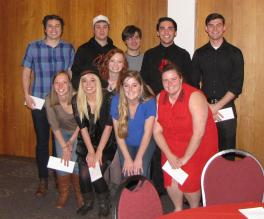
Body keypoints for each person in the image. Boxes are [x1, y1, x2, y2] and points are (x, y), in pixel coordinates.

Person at [153, 61, 218, 211]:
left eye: (173, 79)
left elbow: (199, 133)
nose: (169, 84)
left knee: (190, 181)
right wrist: (169, 155)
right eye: (165, 80)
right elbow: (156, 131)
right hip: (171, 143)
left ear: (181, 79)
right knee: (171, 180)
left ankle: (194, 209)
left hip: (197, 145)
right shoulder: (159, 97)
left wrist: (184, 159)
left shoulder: (195, 96)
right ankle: (177, 209)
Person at [22, 14, 75, 196]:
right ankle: (43, 178)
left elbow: (70, 73)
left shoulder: (68, 48)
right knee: (43, 141)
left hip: (61, 102)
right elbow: (26, 72)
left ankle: (58, 176)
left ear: (62, 28)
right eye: (50, 26)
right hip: (39, 100)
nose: (53, 29)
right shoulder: (33, 46)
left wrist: (73, 98)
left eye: (57, 26)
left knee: (58, 141)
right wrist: (26, 95)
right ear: (44, 28)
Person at [141, 16, 192, 195]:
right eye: (162, 28)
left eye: (170, 28)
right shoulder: (149, 54)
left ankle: (181, 186)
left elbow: (190, 82)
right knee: (156, 145)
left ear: (175, 32)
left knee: (177, 144)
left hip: (177, 106)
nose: (166, 31)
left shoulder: (184, 54)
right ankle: (159, 186)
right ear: (157, 32)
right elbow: (144, 81)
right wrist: (155, 99)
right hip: (155, 105)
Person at [191, 13, 244, 153]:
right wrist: (208, 107)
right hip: (203, 107)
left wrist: (217, 107)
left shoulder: (235, 53)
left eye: (218, 25)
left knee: (227, 152)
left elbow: (236, 86)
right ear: (206, 29)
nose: (215, 29)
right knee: (204, 149)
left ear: (224, 28)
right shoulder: (199, 53)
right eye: (211, 25)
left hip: (226, 108)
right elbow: (193, 84)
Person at [72, 70, 116, 217]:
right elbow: (83, 128)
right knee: (84, 174)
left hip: (106, 143)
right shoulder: (76, 100)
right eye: (84, 80)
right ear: (81, 84)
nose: (88, 84)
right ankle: (88, 202)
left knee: (94, 171)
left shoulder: (109, 98)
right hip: (86, 143)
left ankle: (104, 202)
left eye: (92, 80)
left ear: (98, 81)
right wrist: (91, 151)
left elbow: (109, 127)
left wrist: (98, 152)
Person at [45, 71, 83, 209]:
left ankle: (79, 194)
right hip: (61, 133)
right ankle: (63, 194)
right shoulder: (49, 100)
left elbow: (82, 123)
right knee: (63, 162)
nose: (60, 86)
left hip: (79, 132)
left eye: (64, 82)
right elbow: (54, 127)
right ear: (53, 85)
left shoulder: (78, 97)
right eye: (57, 83)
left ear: (69, 84)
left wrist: (71, 142)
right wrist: (64, 147)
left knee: (77, 163)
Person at [110, 71, 156, 178]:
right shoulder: (116, 101)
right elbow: (118, 134)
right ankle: (128, 194)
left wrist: (139, 158)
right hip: (125, 142)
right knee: (127, 173)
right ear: (122, 87)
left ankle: (145, 194)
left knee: (141, 172)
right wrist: (127, 158)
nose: (130, 89)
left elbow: (147, 134)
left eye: (134, 85)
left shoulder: (149, 101)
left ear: (141, 86)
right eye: (126, 85)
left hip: (145, 142)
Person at [71, 15, 116, 90]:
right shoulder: (83, 49)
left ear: (109, 29)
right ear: (93, 30)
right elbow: (75, 74)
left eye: (105, 27)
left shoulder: (115, 51)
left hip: (110, 92)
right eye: (98, 27)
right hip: (88, 92)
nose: (102, 30)